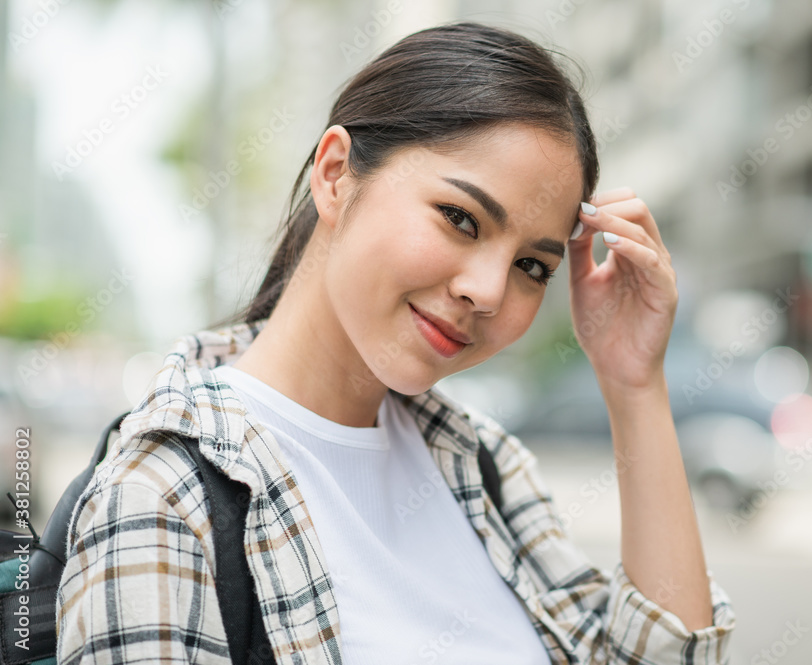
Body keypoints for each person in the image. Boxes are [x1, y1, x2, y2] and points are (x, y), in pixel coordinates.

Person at [55, 20, 735, 664]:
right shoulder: (165, 497)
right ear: (334, 175)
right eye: (461, 219)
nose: (489, 291)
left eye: (533, 265)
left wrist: (633, 382)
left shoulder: (484, 467)